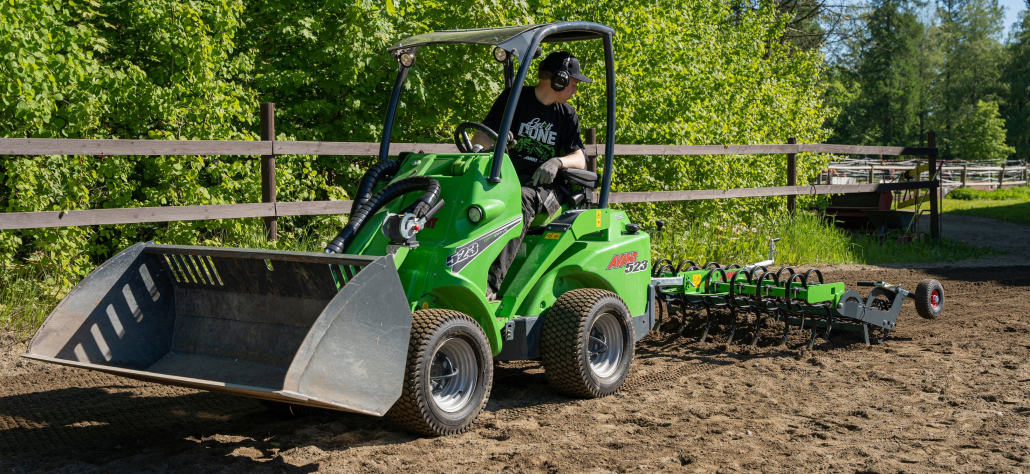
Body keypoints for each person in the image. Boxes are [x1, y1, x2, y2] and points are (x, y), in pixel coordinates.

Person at [470, 51, 592, 299]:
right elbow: (480, 139)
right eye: (574, 83)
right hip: (506, 182)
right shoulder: (514, 99)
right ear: (559, 79)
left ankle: (490, 286)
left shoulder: (567, 115)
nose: (575, 90)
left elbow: (580, 159)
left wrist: (557, 161)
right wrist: (491, 145)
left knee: (522, 198)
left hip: (548, 193)